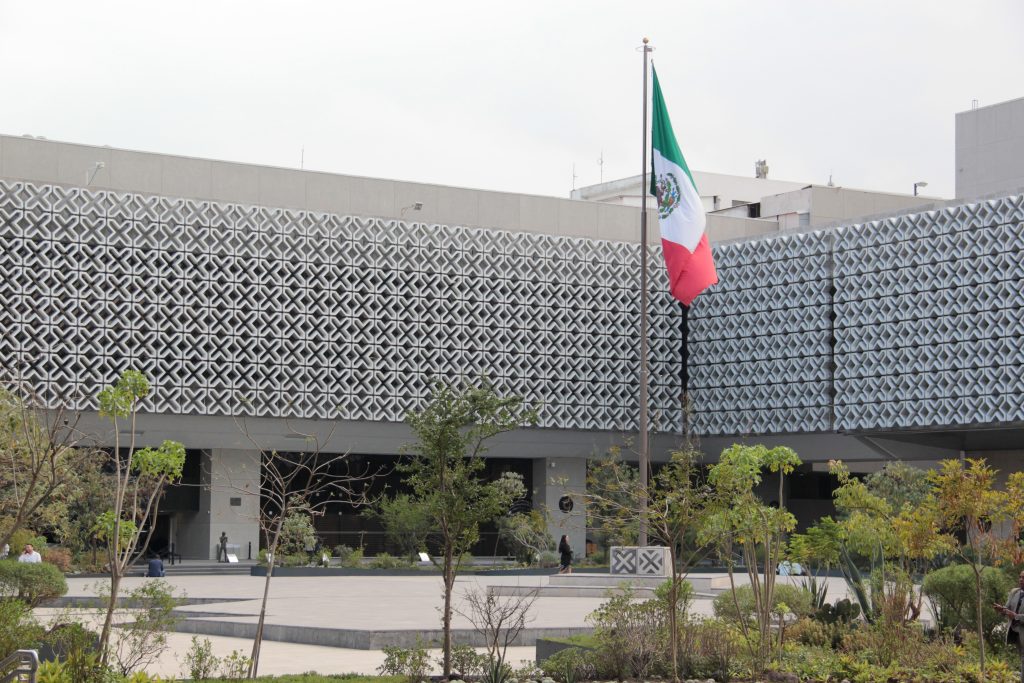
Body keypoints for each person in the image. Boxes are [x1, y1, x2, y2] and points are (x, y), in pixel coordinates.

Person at [997, 569, 1024, 680]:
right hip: (1016, 633)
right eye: (1020, 577)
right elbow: (1007, 608)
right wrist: (1002, 610)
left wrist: (1016, 616)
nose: (1021, 580)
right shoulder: (1014, 592)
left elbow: (1014, 615)